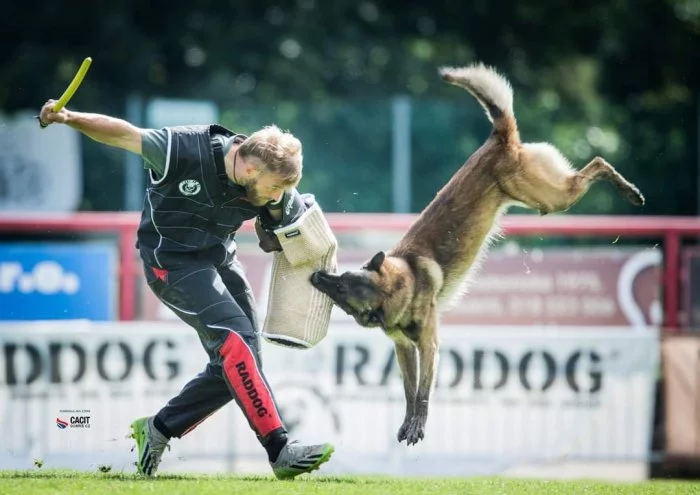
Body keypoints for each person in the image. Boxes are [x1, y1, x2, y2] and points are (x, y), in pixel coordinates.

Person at [38, 99, 335, 479]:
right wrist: (68, 117)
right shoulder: (179, 148)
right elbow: (122, 134)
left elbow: (287, 226)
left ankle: (158, 429)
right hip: (171, 264)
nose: (276, 195)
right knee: (236, 348)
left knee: (240, 367)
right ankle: (279, 450)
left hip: (219, 261)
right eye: (274, 187)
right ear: (248, 166)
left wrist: (284, 221)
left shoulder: (269, 184)